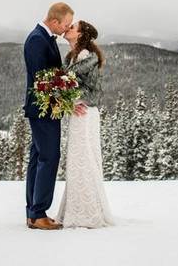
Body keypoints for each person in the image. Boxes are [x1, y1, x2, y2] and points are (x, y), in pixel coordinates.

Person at [22, 2, 85, 230]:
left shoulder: (44, 37)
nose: (66, 28)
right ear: (55, 21)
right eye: (66, 24)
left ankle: (33, 212)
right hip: (43, 110)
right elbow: (43, 82)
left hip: (45, 109)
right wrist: (67, 103)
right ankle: (38, 213)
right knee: (49, 157)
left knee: (38, 158)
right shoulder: (37, 39)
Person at [56, 19, 115, 228]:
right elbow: (64, 84)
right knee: (76, 160)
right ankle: (76, 208)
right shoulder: (70, 57)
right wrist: (67, 100)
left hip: (86, 114)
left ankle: (87, 213)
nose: (68, 28)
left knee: (85, 158)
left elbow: (96, 93)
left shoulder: (87, 58)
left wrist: (72, 98)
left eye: (72, 27)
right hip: (77, 113)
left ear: (80, 35)